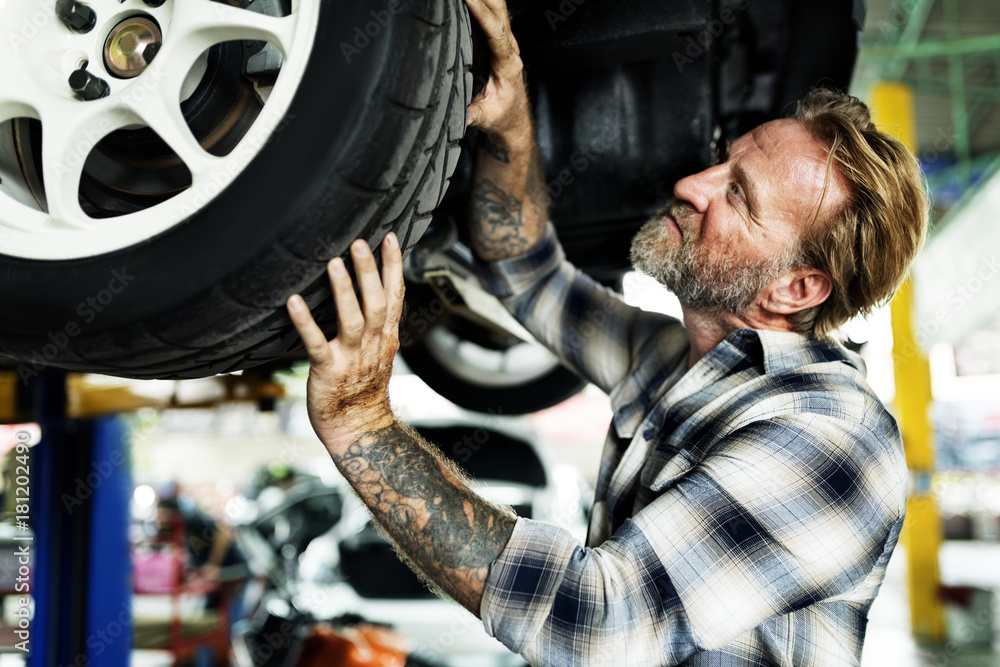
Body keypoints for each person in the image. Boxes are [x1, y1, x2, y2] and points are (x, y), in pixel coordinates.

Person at [283, 0, 928, 664]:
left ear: (795, 288)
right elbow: (528, 271)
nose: (690, 183)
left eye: (737, 194)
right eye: (721, 162)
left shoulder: (834, 437)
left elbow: (595, 624)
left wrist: (363, 426)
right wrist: (510, 124)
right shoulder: (681, 361)